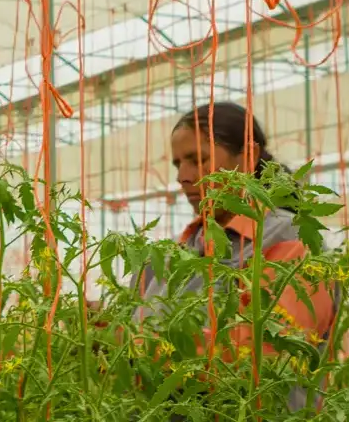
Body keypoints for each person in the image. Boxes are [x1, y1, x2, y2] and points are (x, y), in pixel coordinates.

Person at [138, 103, 336, 370]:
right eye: (178, 164)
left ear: (248, 157)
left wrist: (136, 345)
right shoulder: (172, 252)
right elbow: (136, 321)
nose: (183, 177)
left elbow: (263, 358)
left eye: (198, 160)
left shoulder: (292, 241)